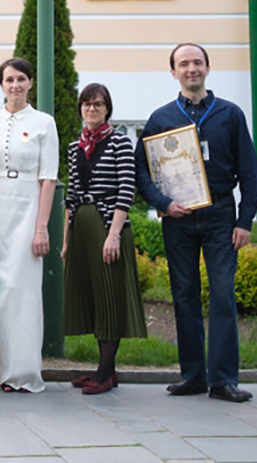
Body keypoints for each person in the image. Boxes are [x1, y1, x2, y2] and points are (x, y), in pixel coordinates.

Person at [134, 43, 257, 403]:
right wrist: (162, 204)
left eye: (197, 62)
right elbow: (141, 169)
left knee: (222, 296)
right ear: (173, 72)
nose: (192, 68)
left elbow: (249, 173)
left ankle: (223, 380)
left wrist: (244, 221)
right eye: (184, 63)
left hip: (221, 215)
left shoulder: (230, 114)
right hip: (179, 218)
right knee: (184, 296)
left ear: (208, 68)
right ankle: (192, 375)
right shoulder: (161, 118)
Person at [0, 57, 59, 393]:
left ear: (30, 83)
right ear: (1, 84)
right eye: (9, 80)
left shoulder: (43, 122)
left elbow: (48, 177)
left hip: (27, 207)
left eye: (21, 79)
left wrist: (41, 227)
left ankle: (21, 372)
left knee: (20, 292)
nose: (15, 86)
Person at [62, 83, 148, 395]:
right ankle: (106, 372)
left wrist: (113, 234)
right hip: (81, 229)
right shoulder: (75, 148)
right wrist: (66, 239)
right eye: (86, 104)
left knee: (110, 296)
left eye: (98, 104)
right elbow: (70, 195)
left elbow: (128, 189)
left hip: (107, 226)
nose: (92, 109)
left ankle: (104, 372)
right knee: (94, 297)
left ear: (107, 108)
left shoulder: (121, 143)